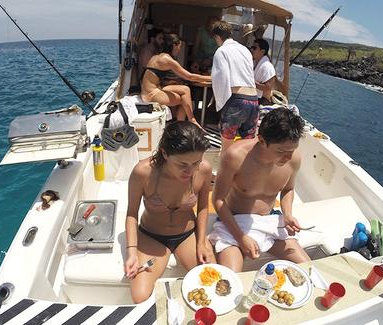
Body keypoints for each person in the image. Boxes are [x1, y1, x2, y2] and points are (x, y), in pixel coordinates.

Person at [124, 121, 216, 303]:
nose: (190, 171)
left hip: (188, 235)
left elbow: (204, 207)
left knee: (213, 284)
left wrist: (201, 242)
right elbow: (131, 214)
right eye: (182, 164)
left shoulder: (203, 170)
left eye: (195, 163)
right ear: (165, 153)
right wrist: (132, 252)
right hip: (152, 236)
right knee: (139, 296)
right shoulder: (143, 172)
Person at [209, 108, 311, 272]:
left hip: (268, 220)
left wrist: (288, 214)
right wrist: (241, 237)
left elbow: (288, 189)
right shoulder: (236, 156)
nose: (288, 157)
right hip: (233, 222)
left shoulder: (294, 158)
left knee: (307, 268)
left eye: (291, 150)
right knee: (231, 277)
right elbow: (218, 200)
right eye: (281, 151)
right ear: (262, 141)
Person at [141, 34, 211, 127]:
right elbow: (190, 76)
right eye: (179, 46)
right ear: (174, 45)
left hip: (150, 90)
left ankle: (181, 123)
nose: (179, 49)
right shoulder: (166, 59)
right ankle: (188, 122)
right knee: (185, 99)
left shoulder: (158, 56)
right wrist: (212, 78)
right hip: (151, 94)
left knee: (185, 89)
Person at [211, 20, 259, 152]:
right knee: (245, 149)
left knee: (226, 149)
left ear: (217, 37)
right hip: (253, 101)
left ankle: (225, 171)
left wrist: (220, 107)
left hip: (237, 101)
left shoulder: (222, 51)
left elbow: (221, 79)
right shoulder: (245, 50)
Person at [251, 38, 276, 106]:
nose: (252, 50)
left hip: (261, 100)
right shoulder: (253, 62)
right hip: (252, 96)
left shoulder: (268, 67)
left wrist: (251, 81)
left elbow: (267, 88)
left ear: (262, 51)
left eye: (254, 48)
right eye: (252, 47)